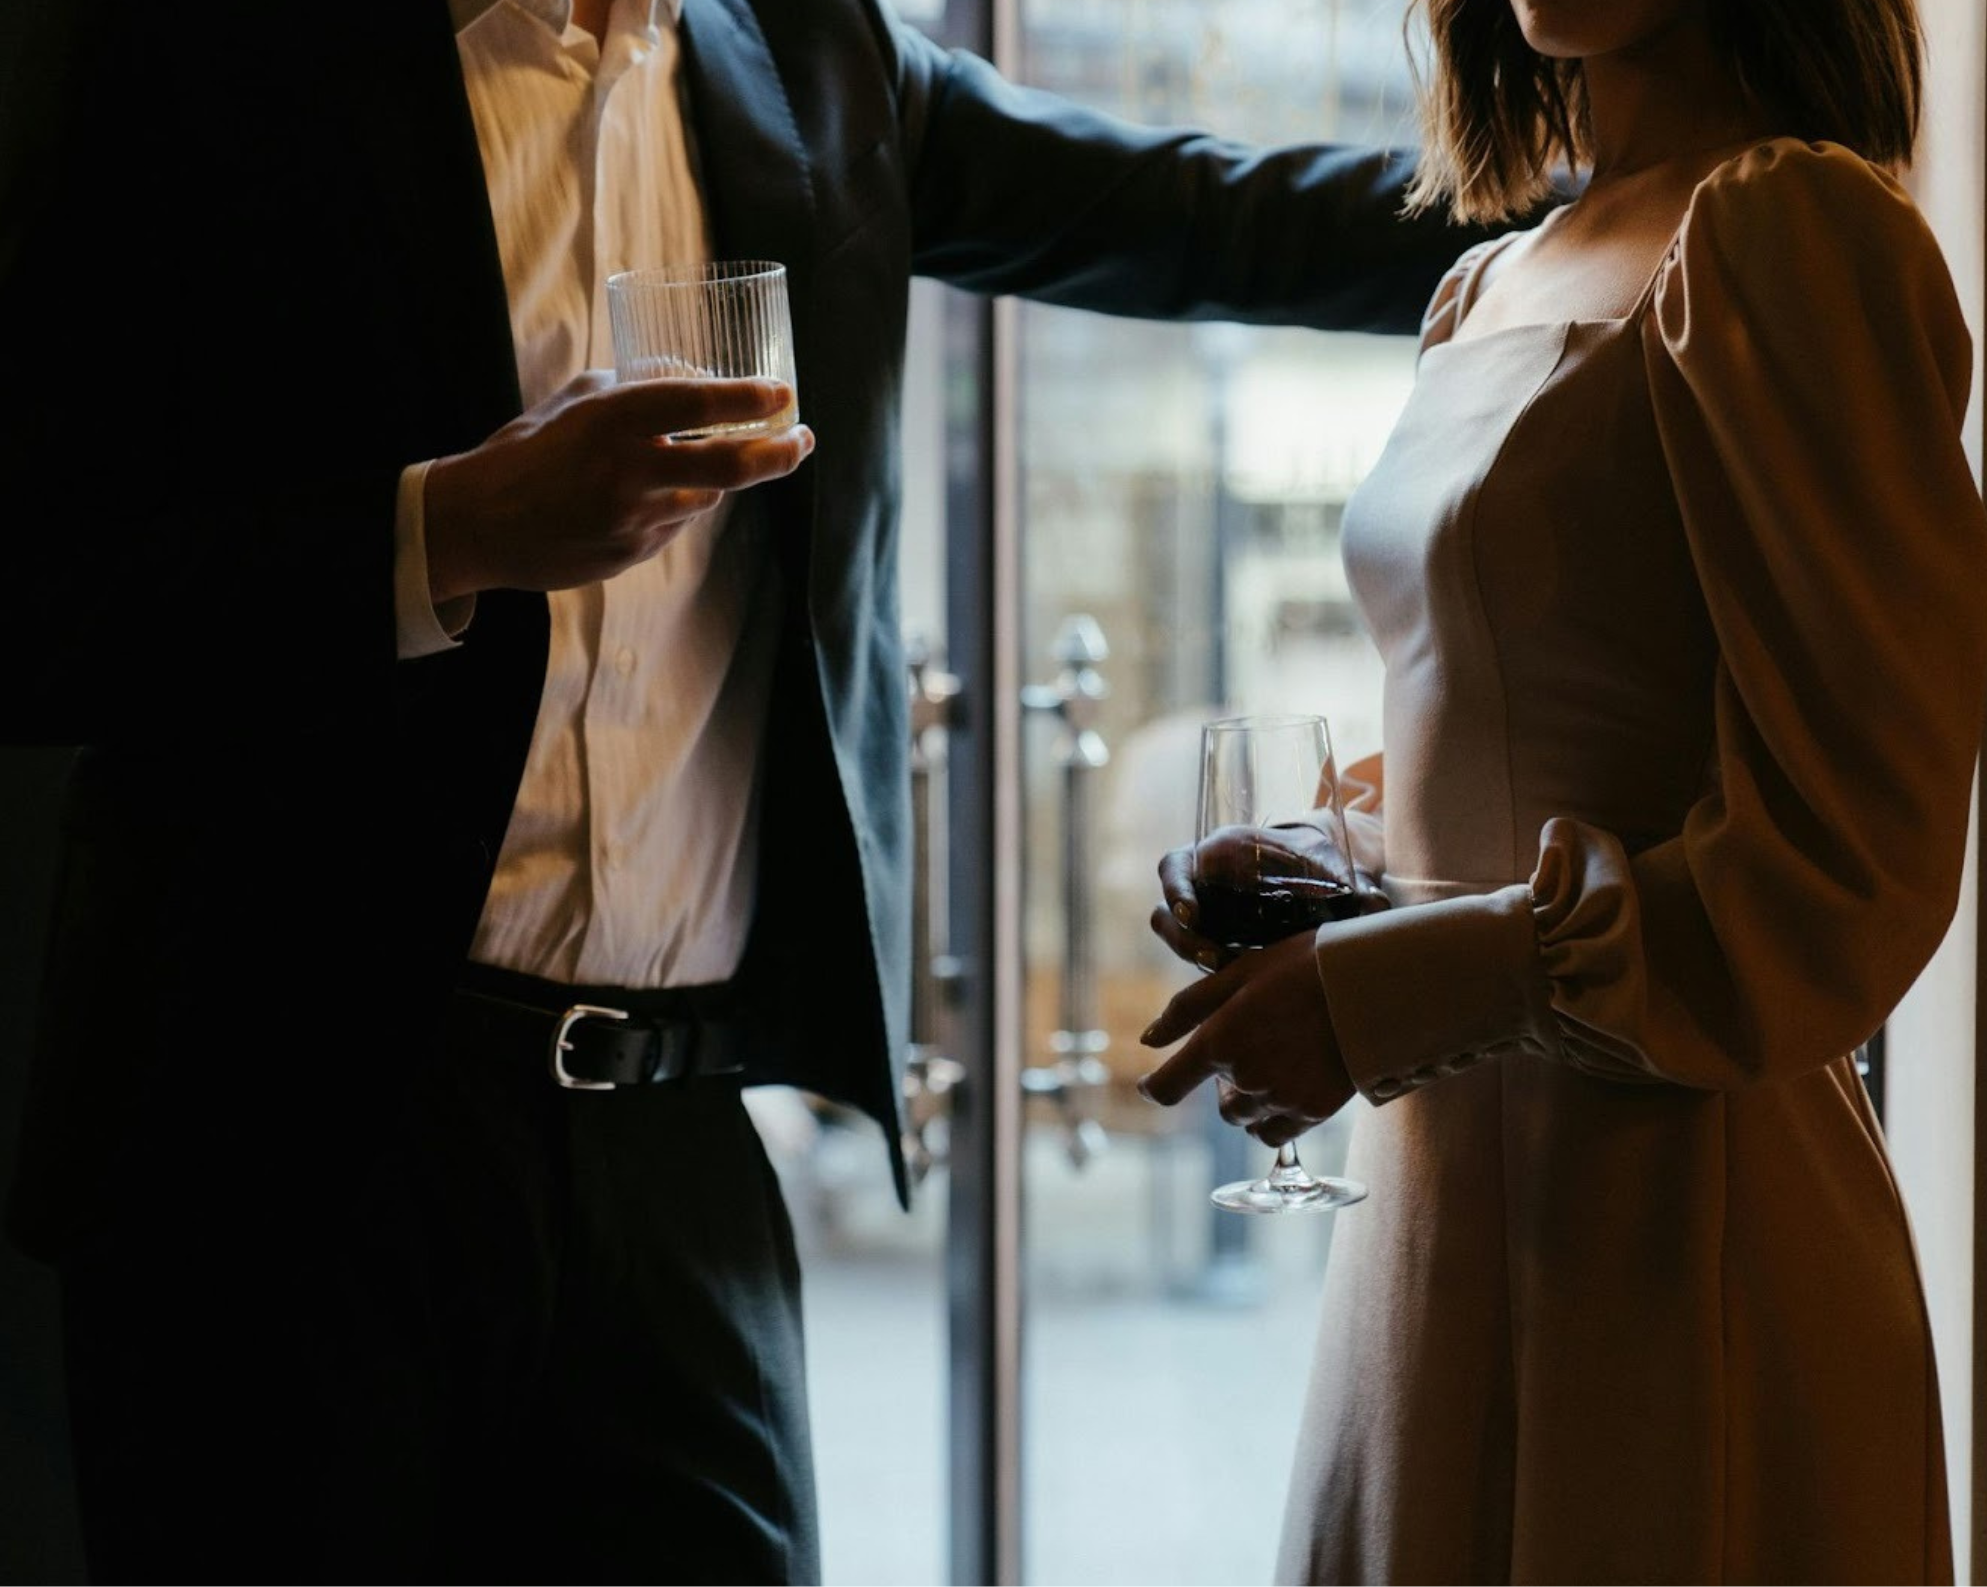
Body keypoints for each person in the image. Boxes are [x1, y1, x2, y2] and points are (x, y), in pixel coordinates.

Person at [0, 1, 1504, 1580]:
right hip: (279, 1138)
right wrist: (451, 530)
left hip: (679, 1153)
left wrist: (1621, 192)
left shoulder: (808, 57)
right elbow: (34, 594)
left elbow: (1212, 215)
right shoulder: (205, 50)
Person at [1137, 0, 1987, 1580]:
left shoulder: (1790, 230)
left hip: (1681, 1247)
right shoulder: (1486, 285)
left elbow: (1850, 867)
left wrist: (1392, 991)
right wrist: (1334, 863)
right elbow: (1518, 730)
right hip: (1428, 1222)